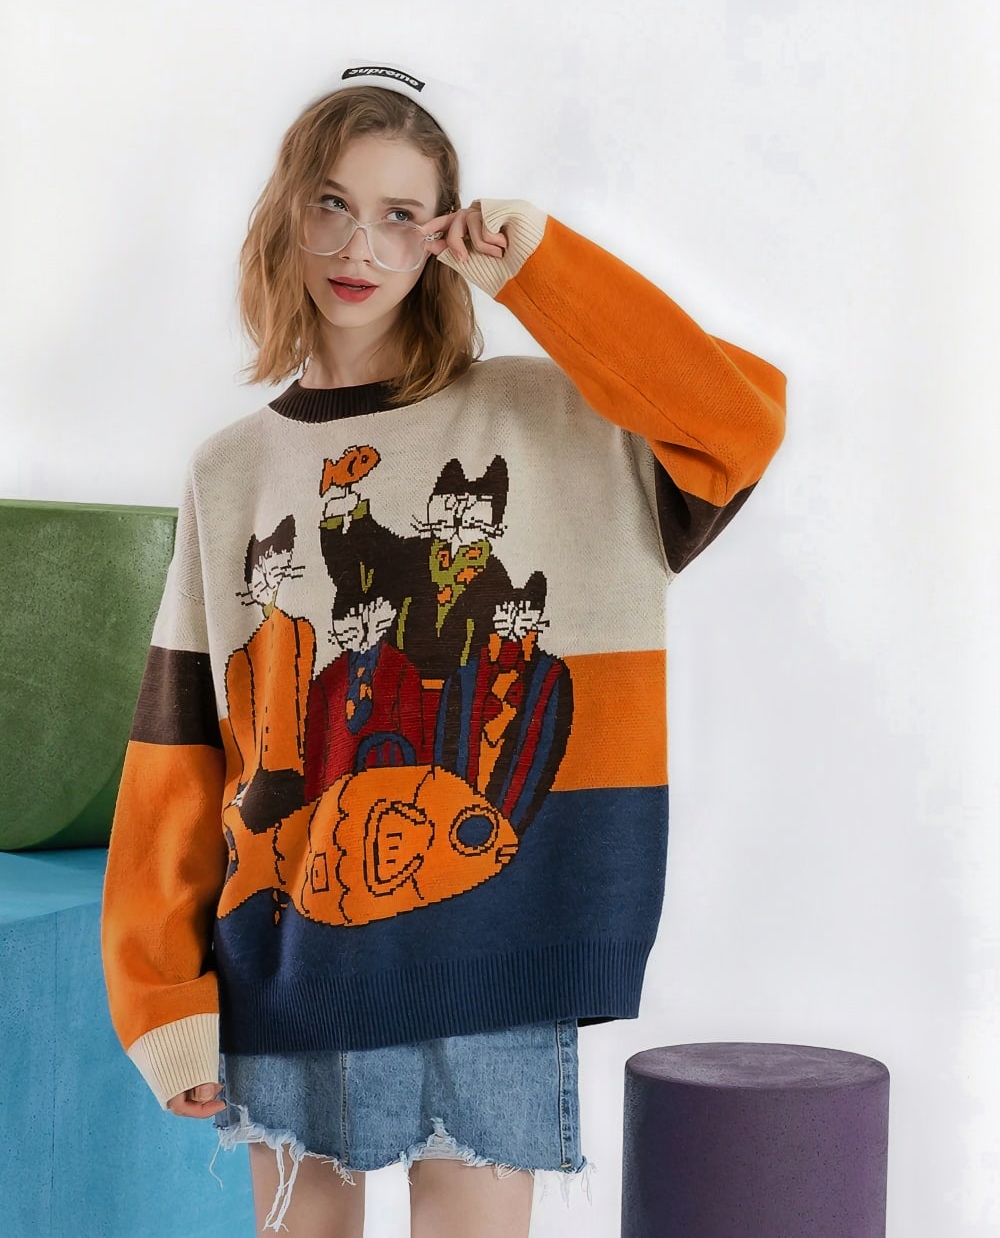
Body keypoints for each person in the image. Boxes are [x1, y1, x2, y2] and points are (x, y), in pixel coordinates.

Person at [101, 61, 787, 1238]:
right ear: (285, 213)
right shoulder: (231, 468)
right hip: (292, 956)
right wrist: (162, 995)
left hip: (501, 950)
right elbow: (178, 746)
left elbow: (737, 422)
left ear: (440, 238)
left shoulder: (554, 418)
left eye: (399, 213)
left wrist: (544, 269)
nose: (356, 245)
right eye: (330, 202)